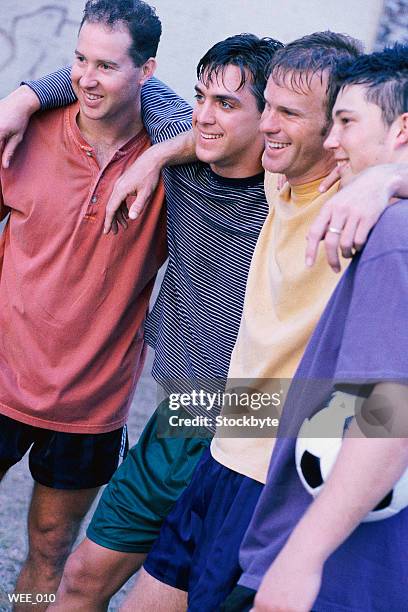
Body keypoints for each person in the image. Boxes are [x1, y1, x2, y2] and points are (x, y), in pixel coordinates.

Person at [0, 34, 283, 610]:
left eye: (227, 104)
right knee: (80, 579)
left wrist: (154, 156)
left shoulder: (294, 197)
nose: (205, 114)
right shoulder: (181, 139)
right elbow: (117, 76)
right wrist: (23, 98)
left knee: (150, 581)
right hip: (177, 409)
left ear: (273, 116)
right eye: (203, 96)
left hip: (251, 424)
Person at [130, 31, 371, 611]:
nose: (267, 125)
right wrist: (158, 153)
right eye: (269, 108)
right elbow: (135, 84)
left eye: (289, 113)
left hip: (273, 477)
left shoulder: (357, 201)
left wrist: (388, 180)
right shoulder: (278, 173)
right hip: (219, 450)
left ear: (335, 129)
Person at [227, 43, 408, 612]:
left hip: (335, 568)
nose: (332, 141)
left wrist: (301, 559)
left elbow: (392, 410)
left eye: (347, 122)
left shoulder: (394, 233)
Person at [0, 0, 166, 606]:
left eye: (106, 66)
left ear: (147, 71)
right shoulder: (26, 130)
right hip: (2, 375)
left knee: (49, 548)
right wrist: (23, 96)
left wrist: (160, 155)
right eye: (79, 60)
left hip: (90, 401)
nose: (86, 79)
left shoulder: (174, 160)